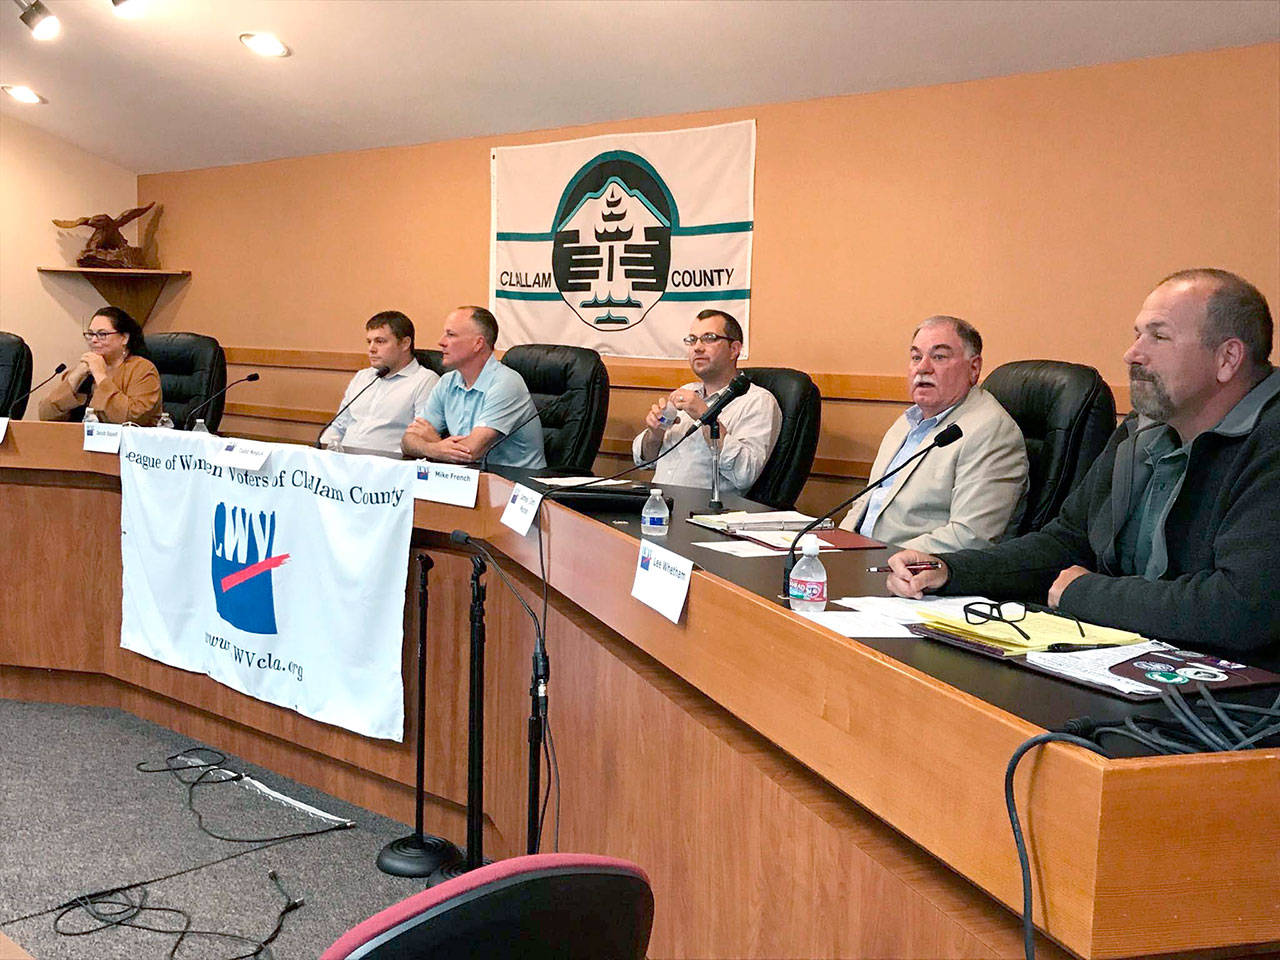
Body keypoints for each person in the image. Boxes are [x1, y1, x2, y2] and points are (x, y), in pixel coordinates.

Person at [885, 269, 1280, 653]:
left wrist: (1086, 593)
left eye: (1159, 336)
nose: (1132, 354)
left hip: (1234, 697)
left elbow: (1243, 607)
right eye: (1137, 334)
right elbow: (1068, 542)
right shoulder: (1140, 431)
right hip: (1130, 662)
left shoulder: (1270, 440)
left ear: (1227, 358)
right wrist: (952, 570)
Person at [840, 316, 1028, 551]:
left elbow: (970, 536)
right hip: (862, 559)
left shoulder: (992, 432)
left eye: (939, 357)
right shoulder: (907, 421)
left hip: (914, 573)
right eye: (916, 357)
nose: (923, 368)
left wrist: (889, 561)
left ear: (974, 368)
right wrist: (837, 547)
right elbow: (864, 504)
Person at [632, 309, 781, 496]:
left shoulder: (757, 401)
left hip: (704, 515)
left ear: (734, 349)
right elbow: (644, 461)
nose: (697, 347)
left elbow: (745, 473)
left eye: (709, 338)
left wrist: (706, 416)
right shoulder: (686, 391)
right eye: (692, 340)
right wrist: (655, 434)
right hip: (656, 505)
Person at [401, 306, 546, 469]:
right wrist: (434, 448)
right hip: (469, 479)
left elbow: (470, 451)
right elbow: (407, 440)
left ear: (478, 343)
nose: (441, 342)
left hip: (516, 483)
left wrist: (433, 441)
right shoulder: (447, 382)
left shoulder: (506, 383)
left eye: (451, 335)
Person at [319, 310, 438, 454]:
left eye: (380, 341)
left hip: (387, 468)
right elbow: (338, 426)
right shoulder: (362, 377)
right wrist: (325, 453)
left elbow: (420, 437)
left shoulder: (425, 381)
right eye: (369, 342)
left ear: (405, 343)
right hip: (344, 462)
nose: (371, 349)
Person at [39, 306, 162, 425]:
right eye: (90, 334)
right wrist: (75, 376)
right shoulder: (84, 370)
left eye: (102, 334)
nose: (94, 340)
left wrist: (100, 375)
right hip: (76, 441)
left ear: (124, 338)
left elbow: (133, 418)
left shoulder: (142, 369)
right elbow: (46, 415)